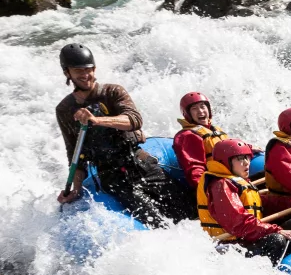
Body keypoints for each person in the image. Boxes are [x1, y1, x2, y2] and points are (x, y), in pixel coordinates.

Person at [55, 43, 192, 226]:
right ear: (67, 73)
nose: (86, 74)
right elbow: (74, 153)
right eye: (78, 70)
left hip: (139, 162)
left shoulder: (113, 92)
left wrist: (98, 120)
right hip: (112, 176)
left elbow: (134, 120)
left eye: (89, 69)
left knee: (187, 209)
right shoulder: (64, 109)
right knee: (155, 221)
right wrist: (75, 189)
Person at [197, 139, 291, 265]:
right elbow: (239, 223)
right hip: (229, 248)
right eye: (240, 159)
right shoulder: (220, 185)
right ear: (224, 162)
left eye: (247, 158)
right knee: (276, 239)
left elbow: (256, 205)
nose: (246, 163)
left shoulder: (235, 180)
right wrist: (275, 230)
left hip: (246, 239)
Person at [173, 92, 229, 191]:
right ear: (187, 114)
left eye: (203, 107)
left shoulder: (215, 129)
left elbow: (231, 150)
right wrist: (206, 191)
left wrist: (248, 148)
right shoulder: (187, 136)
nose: (200, 111)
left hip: (229, 178)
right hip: (214, 185)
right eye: (194, 109)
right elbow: (195, 169)